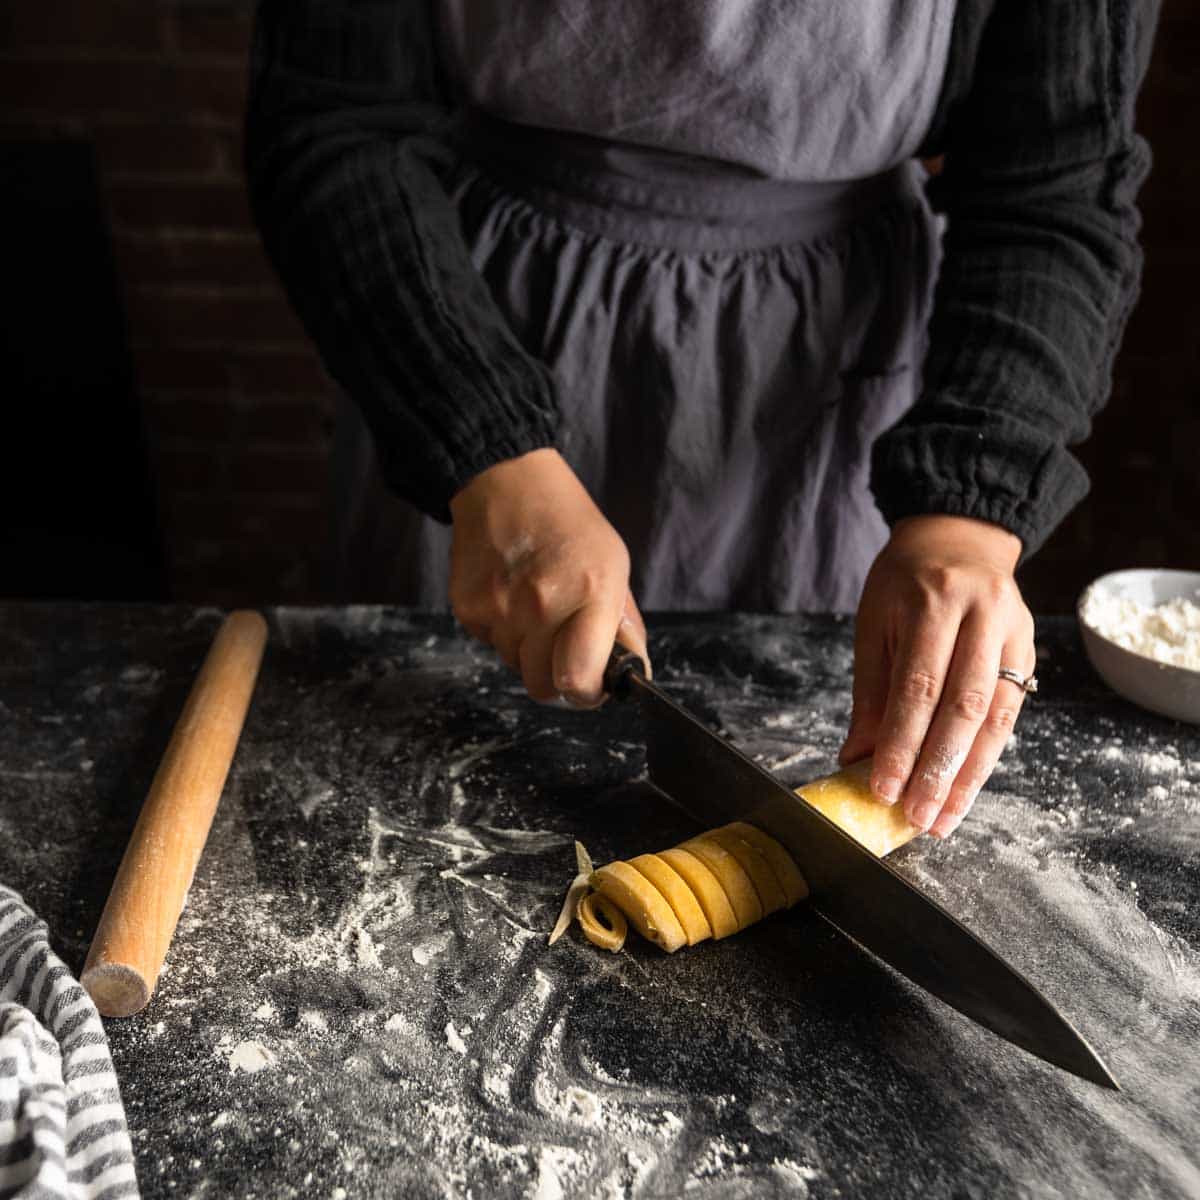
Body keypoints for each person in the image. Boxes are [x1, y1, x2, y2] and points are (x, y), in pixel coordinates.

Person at [245, 2, 1158, 840]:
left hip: (830, 390)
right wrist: (484, 446)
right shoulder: (463, 395)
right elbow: (334, 118)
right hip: (462, 323)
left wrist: (969, 512)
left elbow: (1058, 181)